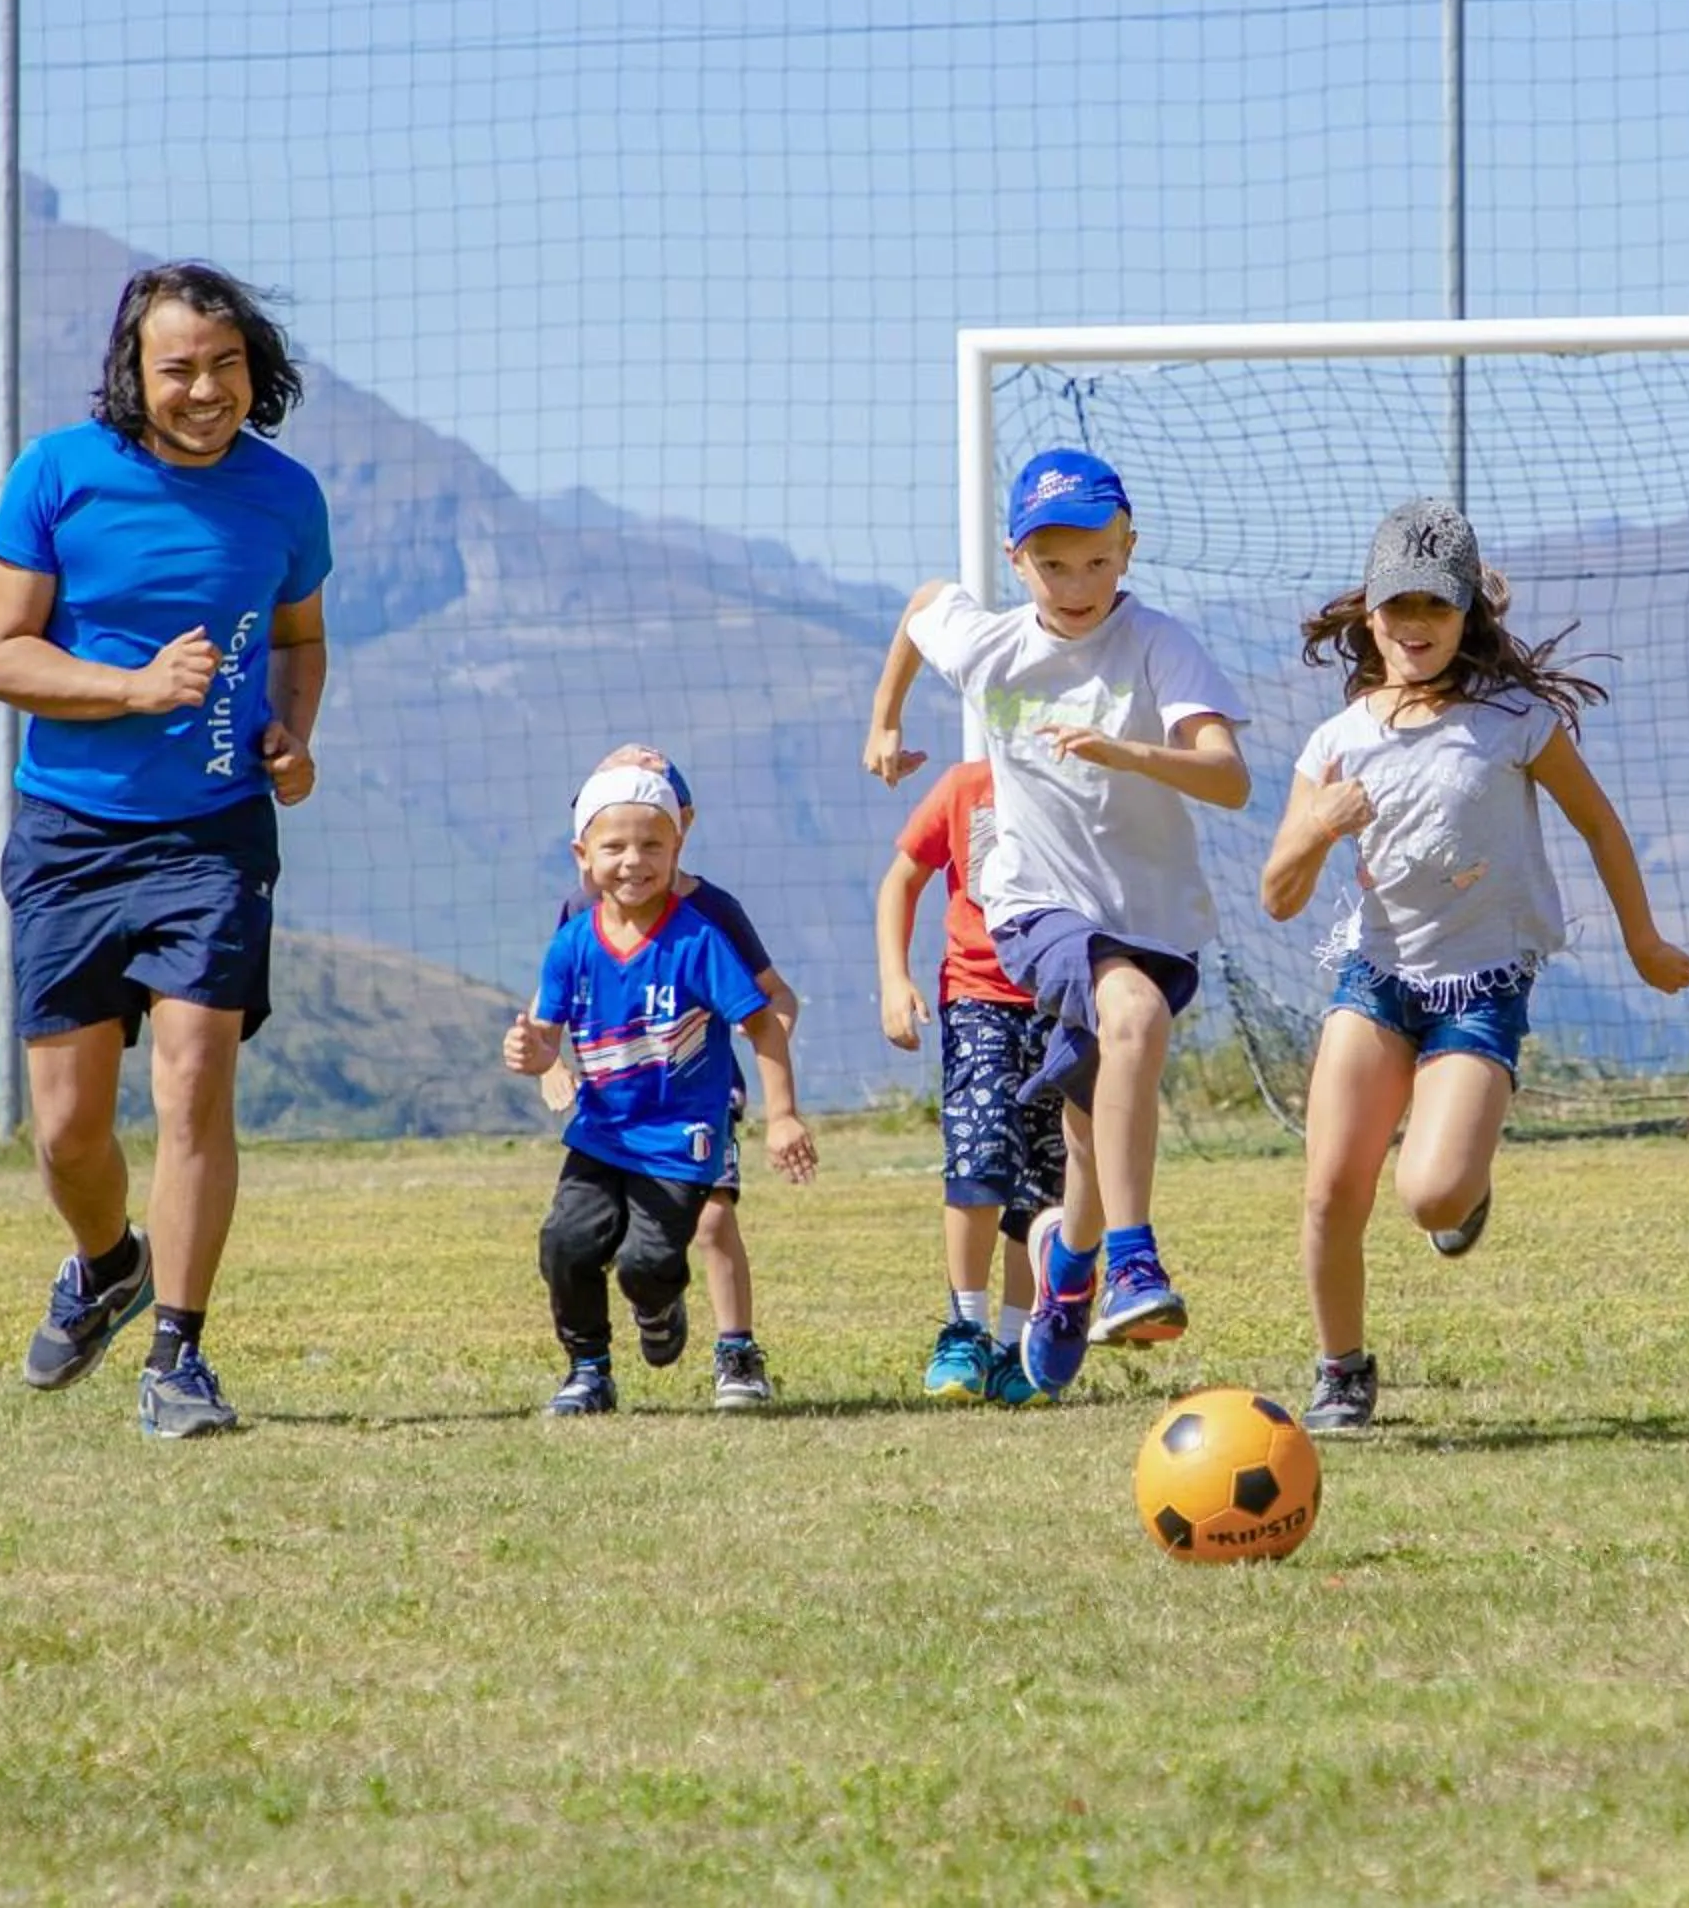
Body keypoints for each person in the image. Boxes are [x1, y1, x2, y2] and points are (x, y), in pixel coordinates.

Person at [0, 262, 334, 1438]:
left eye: (226, 365)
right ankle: (106, 1261)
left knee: (192, 1085)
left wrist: (291, 734)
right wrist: (130, 688)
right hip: (70, 834)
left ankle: (178, 1356)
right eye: (178, 369)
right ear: (135, 372)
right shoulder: (59, 475)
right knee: (70, 1134)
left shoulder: (285, 496)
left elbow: (301, 635)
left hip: (214, 838)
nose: (205, 390)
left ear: (255, 369)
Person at [1261, 499, 1689, 1433]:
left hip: (1484, 983)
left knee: (1431, 1194)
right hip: (1375, 978)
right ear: (1368, 615)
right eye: (1397, 607)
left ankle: (1461, 1172)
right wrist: (1314, 826)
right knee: (1331, 1185)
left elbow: (1600, 828)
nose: (1415, 627)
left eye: (1436, 607)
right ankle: (1341, 1369)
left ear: (1468, 615)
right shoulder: (1335, 744)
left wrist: (1644, 940)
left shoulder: (1516, 721)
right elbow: (1279, 894)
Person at [861, 448, 1248, 1401]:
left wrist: (1130, 751)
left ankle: (1067, 1269)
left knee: (1085, 1123)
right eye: (1051, 563)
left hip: (1154, 918)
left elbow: (1229, 778)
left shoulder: (1161, 645)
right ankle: (1134, 1260)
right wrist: (883, 719)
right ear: (1016, 560)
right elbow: (923, 602)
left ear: (1129, 547)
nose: (1076, 585)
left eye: (1096, 561)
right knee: (1134, 1019)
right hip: (1034, 908)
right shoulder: (994, 645)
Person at [501, 765, 817, 1414]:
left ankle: (660, 1303)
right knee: (565, 1242)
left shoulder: (699, 939)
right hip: (602, 1132)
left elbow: (761, 1024)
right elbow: (545, 1032)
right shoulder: (571, 944)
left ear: (677, 851)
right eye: (614, 847)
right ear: (582, 857)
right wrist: (533, 1053)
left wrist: (782, 1116)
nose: (633, 862)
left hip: (680, 1140)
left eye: (652, 846)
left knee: (648, 1261)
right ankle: (588, 1369)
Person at [878, 755, 1063, 1409]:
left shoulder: (1089, 778)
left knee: (1044, 1183)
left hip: (1065, 1002)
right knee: (980, 1157)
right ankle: (965, 1329)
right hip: (979, 999)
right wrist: (894, 981)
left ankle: (1017, 1345)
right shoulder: (964, 786)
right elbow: (902, 879)